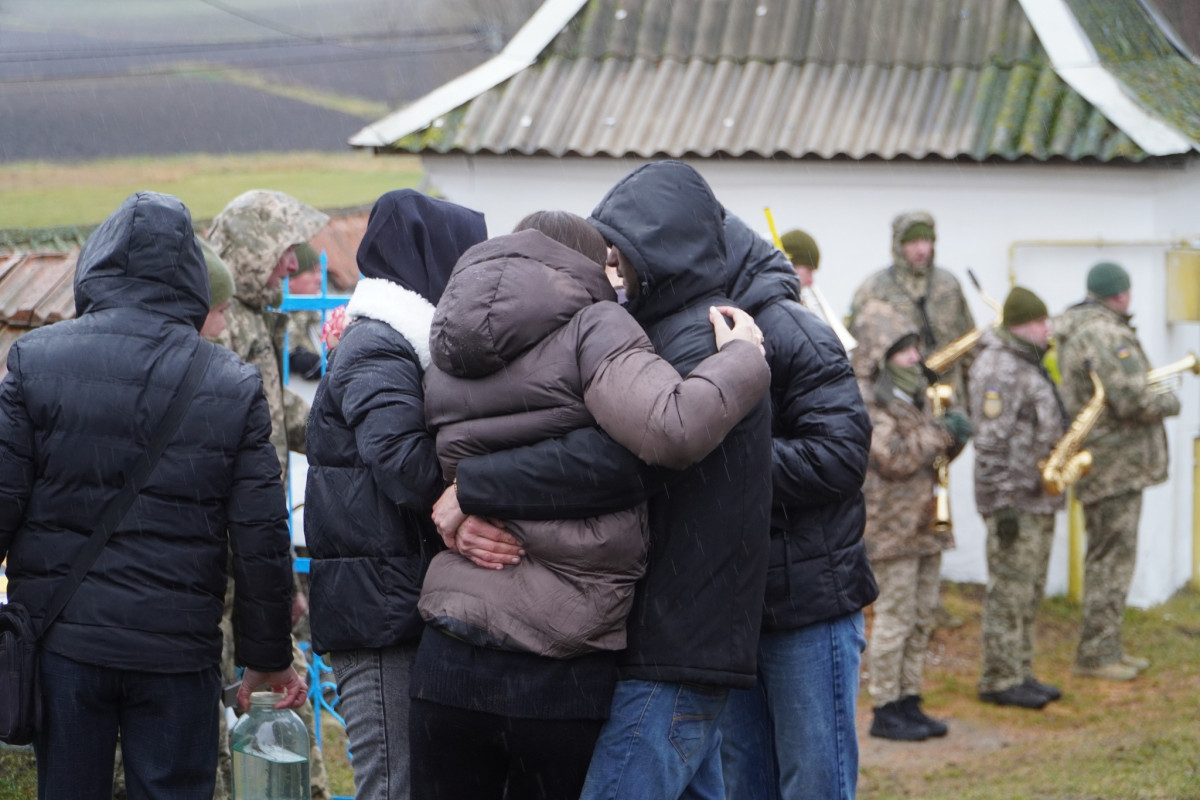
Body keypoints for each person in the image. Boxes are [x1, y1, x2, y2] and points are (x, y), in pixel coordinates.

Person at [428, 161, 773, 800]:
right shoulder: (643, 333)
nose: (611, 271)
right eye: (605, 254)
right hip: (631, 637)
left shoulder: (701, 340)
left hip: (659, 643)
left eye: (620, 254)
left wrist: (468, 489)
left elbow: (616, 463)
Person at [0, 191, 306, 799]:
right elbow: (259, 537)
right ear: (192, 277)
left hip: (65, 645)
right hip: (177, 652)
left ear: (98, 267)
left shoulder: (34, 362)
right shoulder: (230, 382)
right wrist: (268, 656)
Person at [303, 189, 487, 800]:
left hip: (391, 600)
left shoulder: (393, 343)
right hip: (378, 615)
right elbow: (404, 463)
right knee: (392, 786)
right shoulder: (379, 344)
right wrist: (481, 491)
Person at [716, 214, 876, 800]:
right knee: (746, 783)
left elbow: (838, 458)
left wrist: (729, 470)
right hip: (738, 606)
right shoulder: (700, 332)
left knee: (815, 782)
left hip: (809, 605)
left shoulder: (796, 332)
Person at [206, 189, 331, 799]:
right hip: (220, 562)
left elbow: (280, 425)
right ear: (252, 248)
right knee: (230, 708)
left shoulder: (258, 321)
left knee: (274, 704)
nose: (292, 264)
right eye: (283, 250)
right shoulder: (218, 329)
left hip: (254, 554)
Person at [1054, 261, 1181, 680]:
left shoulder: (1081, 326)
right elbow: (1130, 397)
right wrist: (1169, 401)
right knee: (1111, 558)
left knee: (1108, 556)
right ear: (1121, 294)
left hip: (1105, 462)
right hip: (1114, 465)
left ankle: (1107, 646)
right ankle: (1097, 654)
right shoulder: (1106, 332)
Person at [851, 300, 970, 741]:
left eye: (916, 349)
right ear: (881, 356)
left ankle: (909, 699)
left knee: (921, 618)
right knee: (895, 619)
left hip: (924, 525)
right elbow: (893, 457)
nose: (915, 358)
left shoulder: (911, 394)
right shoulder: (866, 399)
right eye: (904, 351)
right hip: (891, 531)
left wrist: (952, 438)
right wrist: (941, 431)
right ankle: (885, 707)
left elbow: (927, 456)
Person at [969, 287, 1067, 708]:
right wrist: (1002, 504)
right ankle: (998, 678)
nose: (1049, 329)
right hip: (1015, 500)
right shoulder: (999, 368)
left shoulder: (1028, 362)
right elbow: (990, 443)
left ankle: (1021, 670)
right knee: (1008, 590)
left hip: (1037, 495)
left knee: (1028, 590)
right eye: (1042, 322)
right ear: (1021, 325)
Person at [848, 211, 976, 404]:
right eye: (913, 243)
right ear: (899, 246)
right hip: (899, 400)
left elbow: (970, 346)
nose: (922, 250)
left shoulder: (949, 285)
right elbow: (859, 354)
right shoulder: (875, 288)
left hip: (951, 397)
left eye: (927, 241)